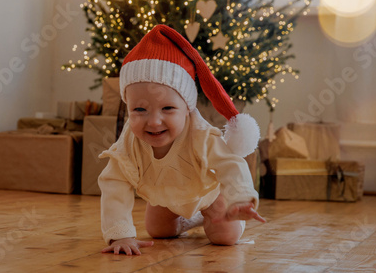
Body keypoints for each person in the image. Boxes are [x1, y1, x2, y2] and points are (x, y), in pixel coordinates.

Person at [98, 24, 265, 256]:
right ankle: (189, 220)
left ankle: (214, 214)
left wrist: (240, 198)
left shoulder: (200, 135)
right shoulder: (129, 144)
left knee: (225, 237)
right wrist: (120, 235)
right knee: (157, 231)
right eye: (139, 109)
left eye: (167, 108)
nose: (154, 121)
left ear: (187, 108)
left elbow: (231, 164)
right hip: (164, 196)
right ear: (128, 108)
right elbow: (114, 182)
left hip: (206, 194)